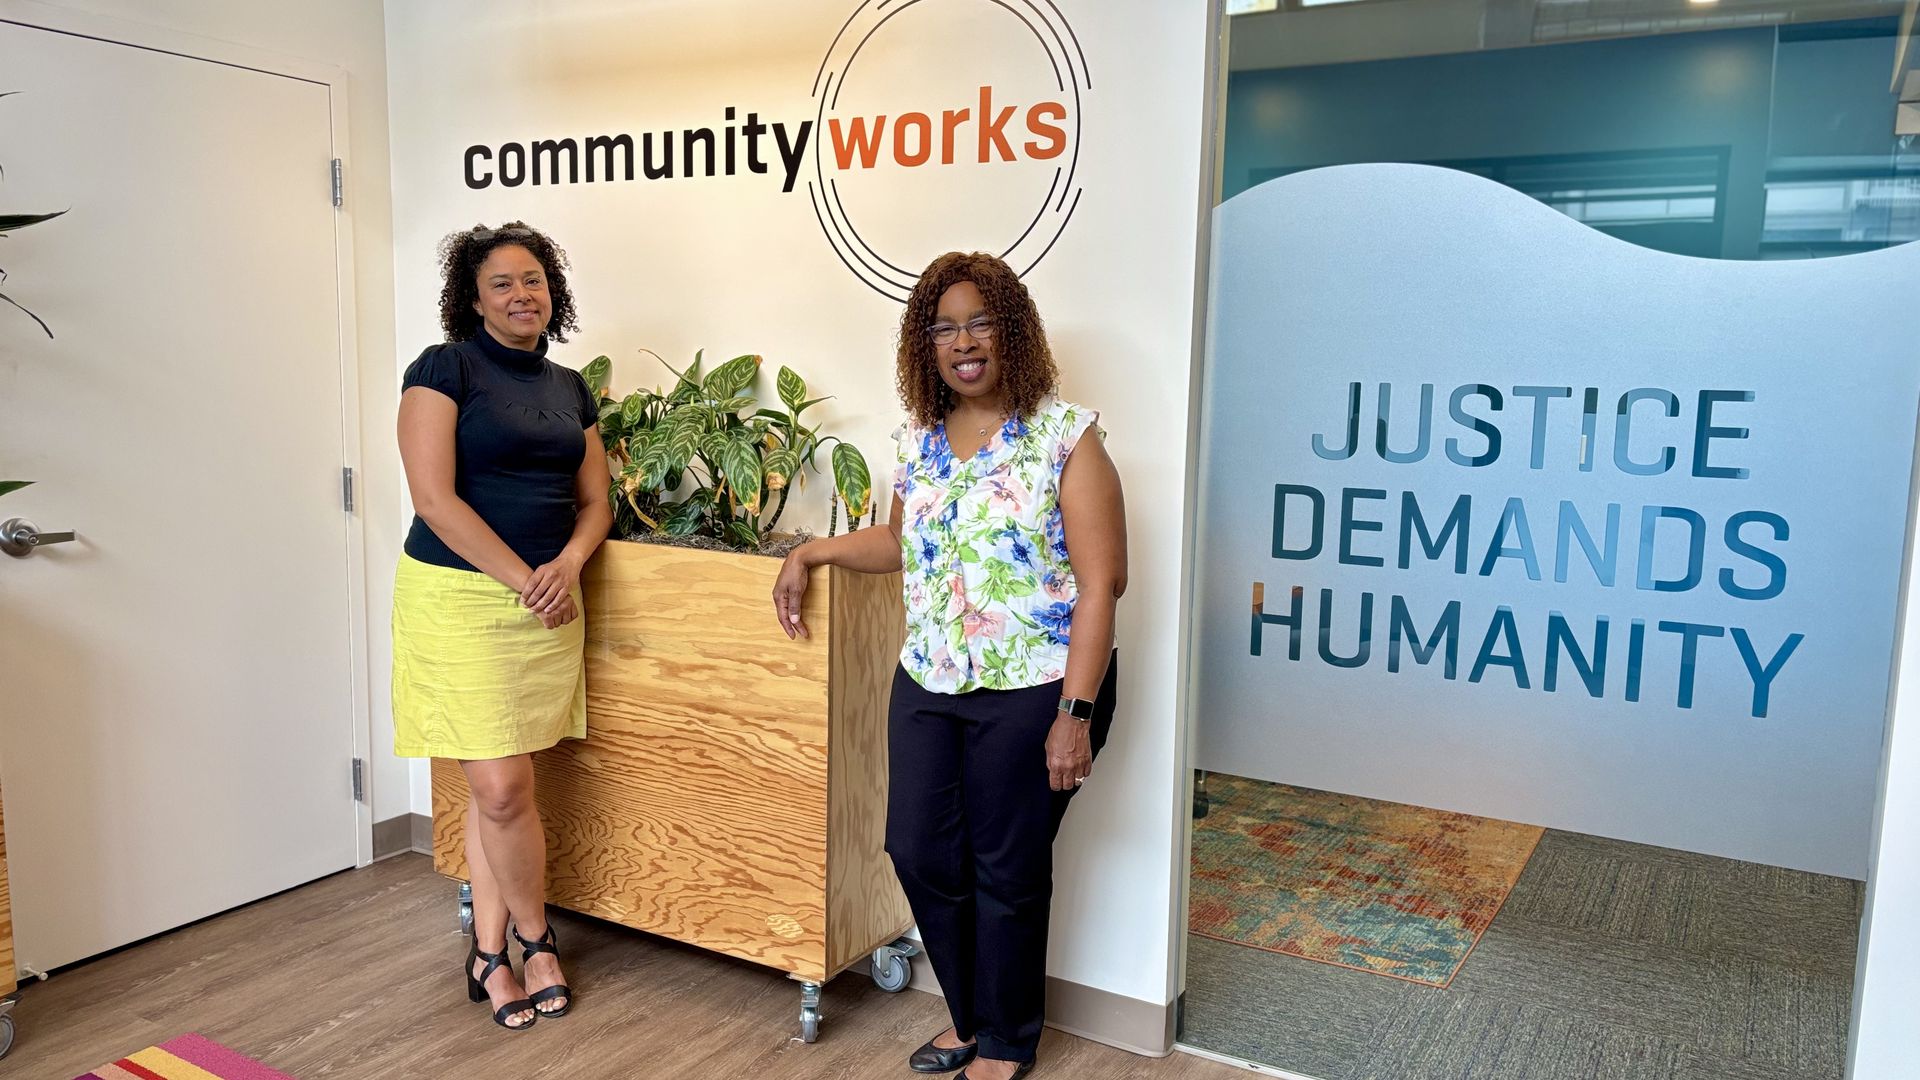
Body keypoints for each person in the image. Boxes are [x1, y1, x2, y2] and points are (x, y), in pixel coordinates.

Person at [771, 251, 1127, 1079]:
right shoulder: (921, 443)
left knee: (1006, 868)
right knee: (919, 851)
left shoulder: (1066, 438)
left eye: (980, 321)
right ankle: (972, 1017)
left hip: (1036, 684)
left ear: (1012, 331)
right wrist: (813, 550)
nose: (963, 340)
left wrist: (1074, 716)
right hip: (930, 676)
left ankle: (1005, 1041)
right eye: (944, 326)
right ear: (924, 344)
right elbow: (901, 544)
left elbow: (1103, 585)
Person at [392, 222, 612, 1030]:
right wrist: (528, 579)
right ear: (472, 297)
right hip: (462, 598)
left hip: (546, 601)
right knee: (499, 784)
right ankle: (536, 937)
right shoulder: (444, 368)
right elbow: (434, 500)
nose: (523, 296)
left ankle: (488, 955)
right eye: (503, 284)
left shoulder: (569, 387)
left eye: (534, 280)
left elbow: (597, 503)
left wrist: (568, 566)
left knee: (502, 795)